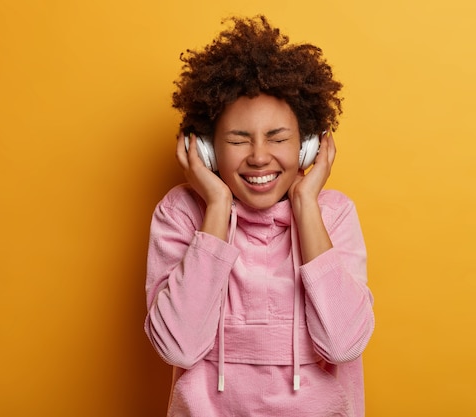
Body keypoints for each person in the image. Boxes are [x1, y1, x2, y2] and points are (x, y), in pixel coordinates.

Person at [144, 15, 375, 417]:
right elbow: (178, 347)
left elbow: (343, 345)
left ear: (306, 147)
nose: (258, 156)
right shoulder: (180, 213)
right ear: (207, 150)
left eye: (278, 138)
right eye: (237, 139)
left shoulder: (334, 214)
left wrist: (306, 205)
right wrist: (216, 206)